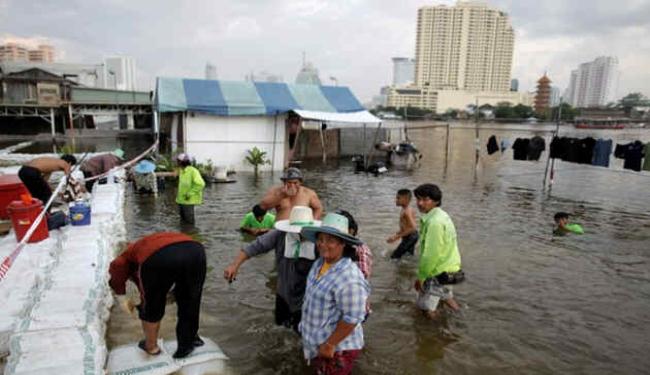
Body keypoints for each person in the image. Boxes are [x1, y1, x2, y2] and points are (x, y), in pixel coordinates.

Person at [108, 232, 207, 359]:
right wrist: (173, 294)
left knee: (151, 307)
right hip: (196, 251)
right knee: (190, 300)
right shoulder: (144, 244)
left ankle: (151, 347)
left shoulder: (124, 259)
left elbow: (117, 273)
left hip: (160, 257)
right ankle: (187, 344)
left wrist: (122, 297)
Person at [224, 206, 321, 332]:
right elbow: (253, 247)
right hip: (283, 292)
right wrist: (234, 265)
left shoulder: (320, 241)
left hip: (308, 296)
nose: (299, 233)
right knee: (281, 329)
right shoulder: (279, 235)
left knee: (302, 332)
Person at [299, 213, 370, 375]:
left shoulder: (350, 277)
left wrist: (330, 344)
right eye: (321, 239)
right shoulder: (320, 263)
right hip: (318, 340)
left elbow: (353, 317)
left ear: (342, 244)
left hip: (337, 348)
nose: (323, 245)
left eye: (330, 240)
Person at [413, 184, 464, 319]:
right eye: (418, 199)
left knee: (426, 309)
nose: (420, 203)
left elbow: (430, 254)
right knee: (445, 296)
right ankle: (460, 318)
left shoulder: (434, 222)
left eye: (425, 199)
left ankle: (436, 335)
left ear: (436, 201)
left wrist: (422, 277)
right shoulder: (442, 215)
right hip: (450, 268)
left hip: (438, 271)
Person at [387, 189, 419, 259]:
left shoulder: (407, 211)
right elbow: (405, 226)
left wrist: (397, 237)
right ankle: (408, 269)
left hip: (411, 236)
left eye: (398, 198)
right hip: (410, 236)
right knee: (408, 255)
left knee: (394, 257)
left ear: (406, 199)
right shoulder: (404, 209)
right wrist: (396, 234)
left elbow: (413, 227)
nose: (396, 200)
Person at [176, 153, 205, 225]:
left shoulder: (193, 171)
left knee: (189, 222)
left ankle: (191, 235)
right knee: (183, 222)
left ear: (182, 162)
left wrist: (189, 193)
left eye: (178, 161)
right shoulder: (182, 171)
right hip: (181, 200)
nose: (177, 162)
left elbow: (200, 184)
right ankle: (184, 234)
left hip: (188, 201)